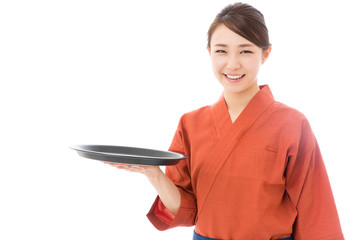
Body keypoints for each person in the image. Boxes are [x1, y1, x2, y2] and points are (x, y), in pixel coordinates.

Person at [106, 2, 344, 240]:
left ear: (266, 53)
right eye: (222, 51)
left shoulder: (292, 124)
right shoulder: (190, 124)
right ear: (209, 52)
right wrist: (154, 174)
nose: (232, 64)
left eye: (245, 51)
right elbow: (187, 211)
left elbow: (316, 211)